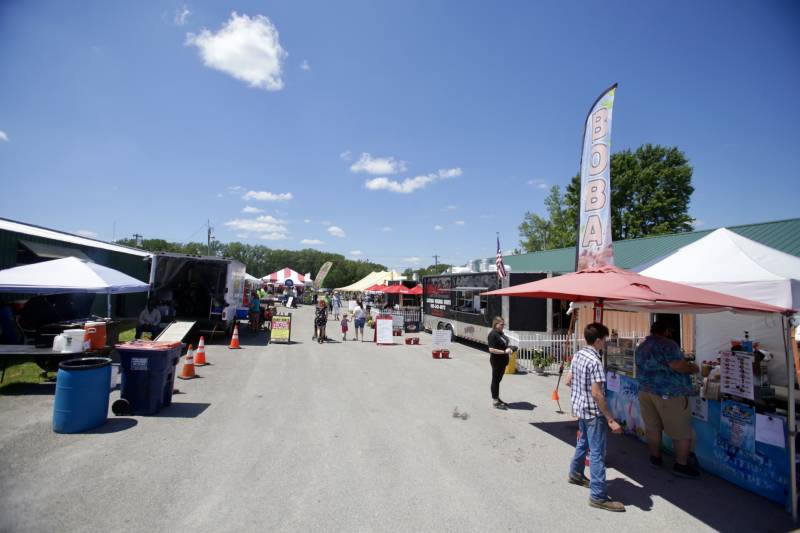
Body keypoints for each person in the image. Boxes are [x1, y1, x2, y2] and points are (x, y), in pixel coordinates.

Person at [568, 322, 624, 512]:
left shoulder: (578, 355)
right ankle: (598, 496)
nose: (605, 343)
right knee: (597, 453)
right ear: (599, 340)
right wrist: (610, 419)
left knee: (583, 442)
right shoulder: (595, 361)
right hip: (593, 412)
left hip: (581, 409)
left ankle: (575, 473)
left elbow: (569, 381)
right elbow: (598, 394)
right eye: (605, 340)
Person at [636, 320, 700, 478]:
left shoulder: (642, 345)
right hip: (669, 393)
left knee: (653, 427)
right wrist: (693, 367)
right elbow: (678, 365)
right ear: (665, 331)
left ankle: (655, 458)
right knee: (681, 431)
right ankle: (681, 465)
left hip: (646, 390)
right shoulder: (668, 345)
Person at [486, 317, 515, 409]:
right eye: (501, 324)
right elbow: (491, 349)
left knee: (498, 380)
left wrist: (509, 348)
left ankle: (497, 397)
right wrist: (504, 352)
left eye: (503, 324)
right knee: (495, 380)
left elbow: (504, 344)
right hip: (496, 361)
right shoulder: (493, 334)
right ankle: (495, 401)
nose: (503, 326)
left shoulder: (500, 333)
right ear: (496, 324)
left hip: (503, 361)